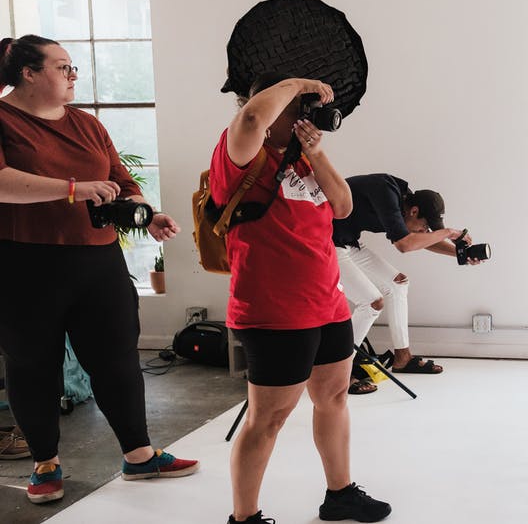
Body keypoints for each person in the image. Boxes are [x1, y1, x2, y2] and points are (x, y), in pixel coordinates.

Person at [0, 34, 198, 505]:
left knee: (117, 359)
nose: (73, 76)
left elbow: (121, 181)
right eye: (62, 67)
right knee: (32, 366)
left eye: (73, 68)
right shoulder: (4, 120)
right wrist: (74, 189)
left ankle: (139, 455)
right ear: (29, 73)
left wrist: (145, 214)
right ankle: (45, 464)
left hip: (98, 261)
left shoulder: (87, 124)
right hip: (25, 262)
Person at [211, 72, 389, 523]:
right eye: (295, 109)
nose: (304, 117)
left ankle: (340, 493)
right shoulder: (239, 155)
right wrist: (294, 82)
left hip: (327, 302)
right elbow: (252, 116)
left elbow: (344, 206)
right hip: (274, 312)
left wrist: (317, 152)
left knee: (334, 398)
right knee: (267, 419)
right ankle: (244, 517)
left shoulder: (303, 161)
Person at [333, 173, 484, 391]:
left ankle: (402, 358)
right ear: (414, 211)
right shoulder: (385, 192)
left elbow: (418, 239)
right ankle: (338, 374)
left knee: (398, 283)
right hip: (326, 243)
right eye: (424, 226)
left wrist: (461, 255)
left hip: (348, 242)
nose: (425, 232)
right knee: (372, 302)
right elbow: (405, 244)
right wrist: (448, 232)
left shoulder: (402, 204)